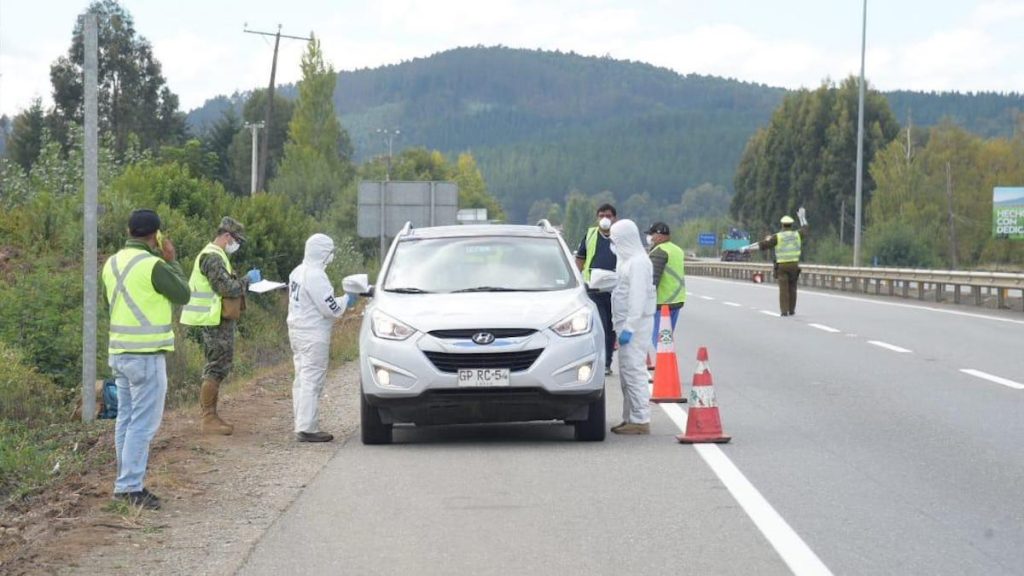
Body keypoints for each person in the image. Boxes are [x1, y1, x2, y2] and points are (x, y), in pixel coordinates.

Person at [102, 209, 190, 510]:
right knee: (142, 423)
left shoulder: (111, 263)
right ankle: (129, 487)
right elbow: (183, 294)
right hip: (146, 356)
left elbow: (108, 306)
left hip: (119, 353)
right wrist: (172, 259)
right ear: (156, 235)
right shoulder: (154, 264)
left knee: (125, 418)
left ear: (129, 230)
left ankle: (124, 478)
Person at [180, 217, 260, 435]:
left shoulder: (217, 257)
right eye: (237, 241)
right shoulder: (212, 258)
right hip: (212, 320)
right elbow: (228, 288)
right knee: (215, 366)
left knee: (220, 365)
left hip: (217, 319)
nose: (238, 246)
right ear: (227, 237)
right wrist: (248, 280)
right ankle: (208, 418)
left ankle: (212, 416)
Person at [287, 234, 357, 443]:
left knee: (301, 377)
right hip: (313, 333)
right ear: (322, 253)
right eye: (330, 252)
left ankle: (301, 422)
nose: (331, 256)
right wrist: (347, 300)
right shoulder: (316, 275)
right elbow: (330, 309)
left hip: (297, 331)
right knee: (312, 379)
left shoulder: (297, 271)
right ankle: (307, 427)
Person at [609, 219, 656, 435]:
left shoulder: (639, 262)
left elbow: (637, 297)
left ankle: (640, 418)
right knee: (626, 371)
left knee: (635, 370)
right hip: (625, 324)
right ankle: (630, 417)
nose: (614, 244)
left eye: (616, 240)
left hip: (635, 325)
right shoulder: (628, 261)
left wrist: (629, 327)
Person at [575, 204, 618, 375]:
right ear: (597, 218)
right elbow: (580, 259)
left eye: (608, 215)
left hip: (615, 290)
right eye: (601, 215)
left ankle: (607, 363)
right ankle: (597, 361)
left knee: (611, 327)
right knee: (599, 326)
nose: (605, 219)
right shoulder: (591, 234)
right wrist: (576, 281)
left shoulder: (620, 236)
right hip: (594, 289)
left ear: (615, 218)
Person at [744, 207, 809, 316]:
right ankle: (792, 310)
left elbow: (762, 245)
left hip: (782, 266)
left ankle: (784, 311)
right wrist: (802, 217)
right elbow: (805, 229)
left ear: (782, 225)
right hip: (794, 265)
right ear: (791, 225)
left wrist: (748, 247)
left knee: (783, 289)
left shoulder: (778, 237)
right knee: (793, 287)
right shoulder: (797, 234)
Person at [646, 222, 686, 350]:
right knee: (666, 337)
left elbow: (653, 279)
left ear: (660, 235)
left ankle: (663, 366)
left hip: (661, 302)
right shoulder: (677, 250)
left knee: (658, 338)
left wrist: (646, 300)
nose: (650, 238)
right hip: (677, 300)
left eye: (652, 235)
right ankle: (666, 364)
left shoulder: (660, 251)